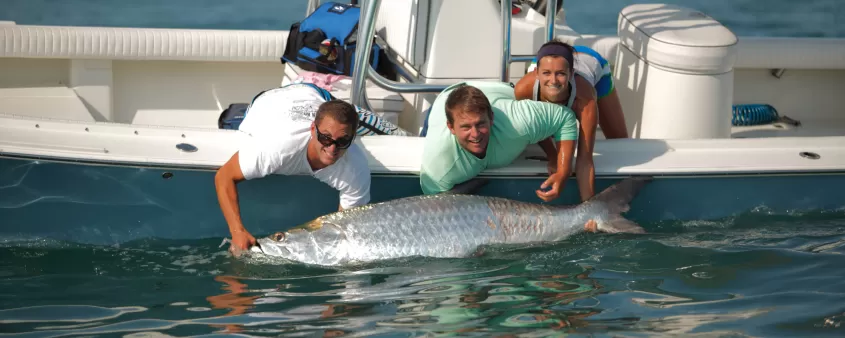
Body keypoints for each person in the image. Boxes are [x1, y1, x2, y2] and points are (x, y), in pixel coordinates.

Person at [214, 84, 371, 252]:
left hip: (315, 94)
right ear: (313, 129)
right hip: (268, 99)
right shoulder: (277, 148)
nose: (332, 149)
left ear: (353, 139)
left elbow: (346, 230)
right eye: (325, 138)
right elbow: (223, 177)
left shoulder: (356, 167)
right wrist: (237, 232)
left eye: (342, 141)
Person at [420, 81, 578, 202]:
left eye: (481, 124)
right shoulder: (438, 162)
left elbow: (564, 118)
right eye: (466, 127)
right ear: (451, 128)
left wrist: (563, 170)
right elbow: (435, 207)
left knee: (532, 128)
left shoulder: (516, 121)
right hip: (442, 103)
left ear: (492, 118)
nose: (475, 134)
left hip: (500, 93)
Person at [514, 39, 629, 202]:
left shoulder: (586, 99)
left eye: (560, 74)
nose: (553, 81)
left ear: (571, 74)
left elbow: (585, 159)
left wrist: (588, 205)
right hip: (556, 63)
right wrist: (553, 156)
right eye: (546, 73)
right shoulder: (522, 90)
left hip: (595, 65)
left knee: (620, 142)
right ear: (536, 73)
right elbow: (535, 129)